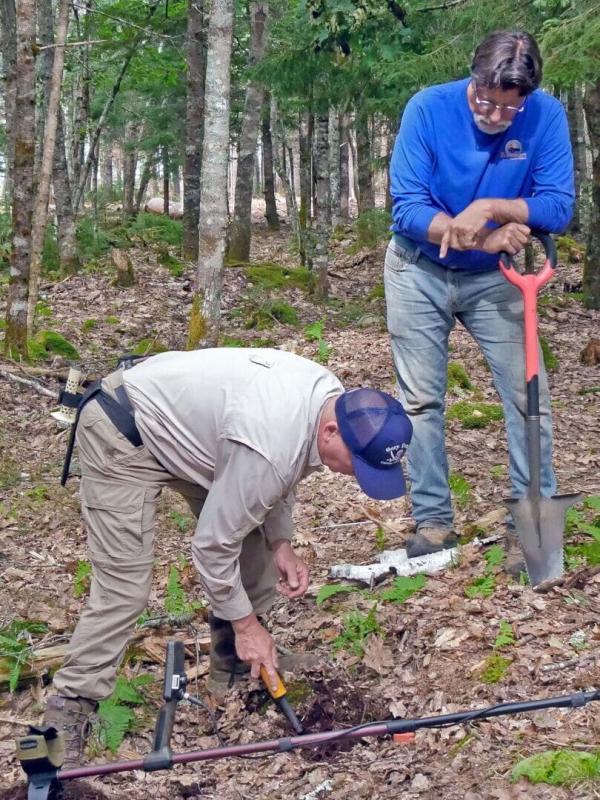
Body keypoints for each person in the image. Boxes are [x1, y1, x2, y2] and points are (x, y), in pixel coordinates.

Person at [42, 347, 412, 766]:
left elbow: (283, 475)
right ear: (329, 432)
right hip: (123, 431)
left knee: (251, 537)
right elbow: (213, 544)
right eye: (358, 466)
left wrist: (280, 542)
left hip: (199, 434)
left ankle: (234, 670)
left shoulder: (330, 400)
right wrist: (247, 624)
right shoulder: (273, 440)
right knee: (124, 589)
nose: (355, 476)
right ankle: (66, 715)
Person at [385, 30, 574, 569]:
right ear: (473, 79)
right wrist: (480, 234)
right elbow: (408, 209)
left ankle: (532, 522)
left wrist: (491, 206)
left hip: (498, 279)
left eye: (510, 108)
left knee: (526, 394)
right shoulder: (428, 109)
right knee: (421, 400)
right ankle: (433, 521)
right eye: (487, 101)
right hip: (417, 270)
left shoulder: (546, 116)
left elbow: (557, 206)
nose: (496, 116)